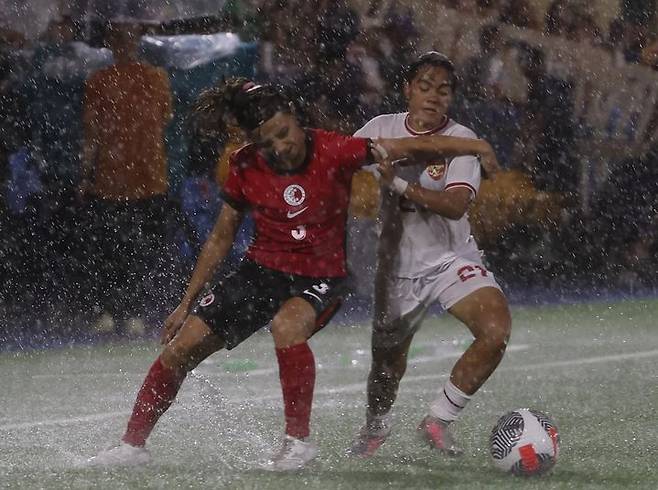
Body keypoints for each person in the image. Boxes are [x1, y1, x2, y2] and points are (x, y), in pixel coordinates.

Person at [86, 77, 499, 471]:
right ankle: (132, 446)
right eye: (268, 142)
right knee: (180, 349)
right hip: (261, 271)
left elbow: (411, 147)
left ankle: (297, 443)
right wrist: (185, 303)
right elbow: (219, 239)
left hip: (321, 276)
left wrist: (475, 145)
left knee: (287, 326)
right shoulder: (244, 165)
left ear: (295, 118)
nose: (281, 146)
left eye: (284, 132)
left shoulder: (336, 149)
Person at [347, 52, 512, 458]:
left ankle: (438, 419)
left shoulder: (461, 139)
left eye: (443, 90)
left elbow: (456, 205)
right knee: (387, 368)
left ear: (451, 98)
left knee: (495, 331)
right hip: (397, 271)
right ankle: (375, 427)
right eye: (424, 86)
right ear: (407, 90)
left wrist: (399, 187)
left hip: (449, 258)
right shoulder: (379, 128)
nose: (433, 97)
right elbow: (344, 172)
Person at [79, 20, 173, 333]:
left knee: (137, 249)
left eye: (128, 37)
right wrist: (85, 173)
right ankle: (111, 308)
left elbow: (160, 120)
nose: (124, 43)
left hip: (144, 176)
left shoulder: (154, 78)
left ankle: (132, 310)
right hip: (115, 178)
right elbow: (92, 133)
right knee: (112, 249)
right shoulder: (102, 80)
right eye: (118, 37)